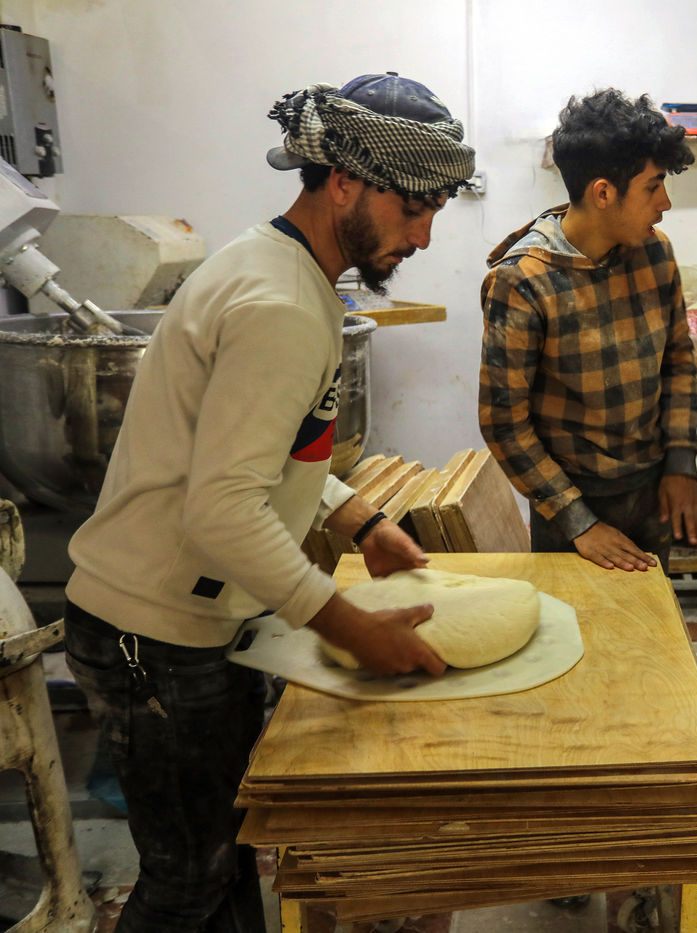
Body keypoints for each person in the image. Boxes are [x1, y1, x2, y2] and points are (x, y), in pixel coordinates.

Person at [63, 72, 475, 931]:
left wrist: (360, 519)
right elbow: (222, 508)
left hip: (183, 623)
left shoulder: (277, 266)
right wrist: (346, 623)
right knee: (187, 883)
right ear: (345, 181)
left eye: (435, 211)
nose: (424, 235)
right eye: (412, 209)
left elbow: (269, 452)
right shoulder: (282, 304)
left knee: (224, 862)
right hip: (156, 637)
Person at [479, 88, 697, 575]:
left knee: (650, 616)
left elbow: (678, 361)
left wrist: (680, 465)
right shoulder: (523, 280)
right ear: (603, 193)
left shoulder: (655, 251)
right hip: (570, 504)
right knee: (576, 621)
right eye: (653, 187)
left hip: (651, 490)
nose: (665, 203)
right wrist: (579, 522)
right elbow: (504, 423)